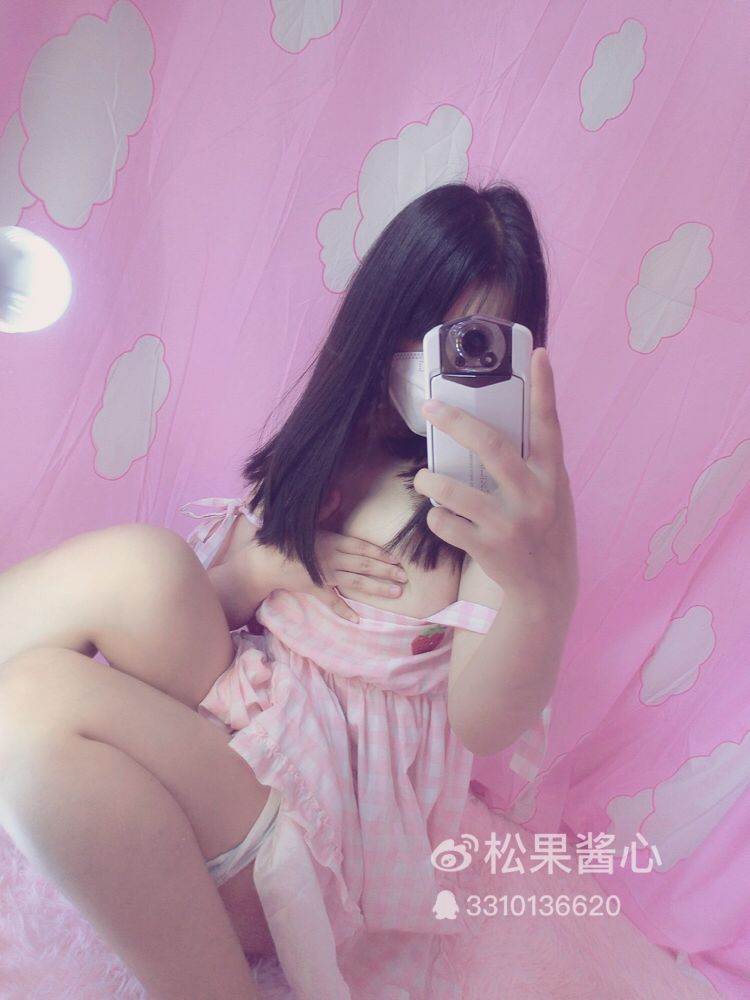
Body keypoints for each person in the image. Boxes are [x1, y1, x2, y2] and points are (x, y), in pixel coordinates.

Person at [0, 181, 578, 1000]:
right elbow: (213, 607)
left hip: (320, 828)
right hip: (246, 715)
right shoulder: (338, 437)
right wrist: (268, 569)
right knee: (143, 565)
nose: (434, 364)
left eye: (470, 344)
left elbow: (483, 721)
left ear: (516, 357)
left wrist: (541, 594)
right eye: (419, 329)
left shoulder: (497, 500)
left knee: (29, 702)